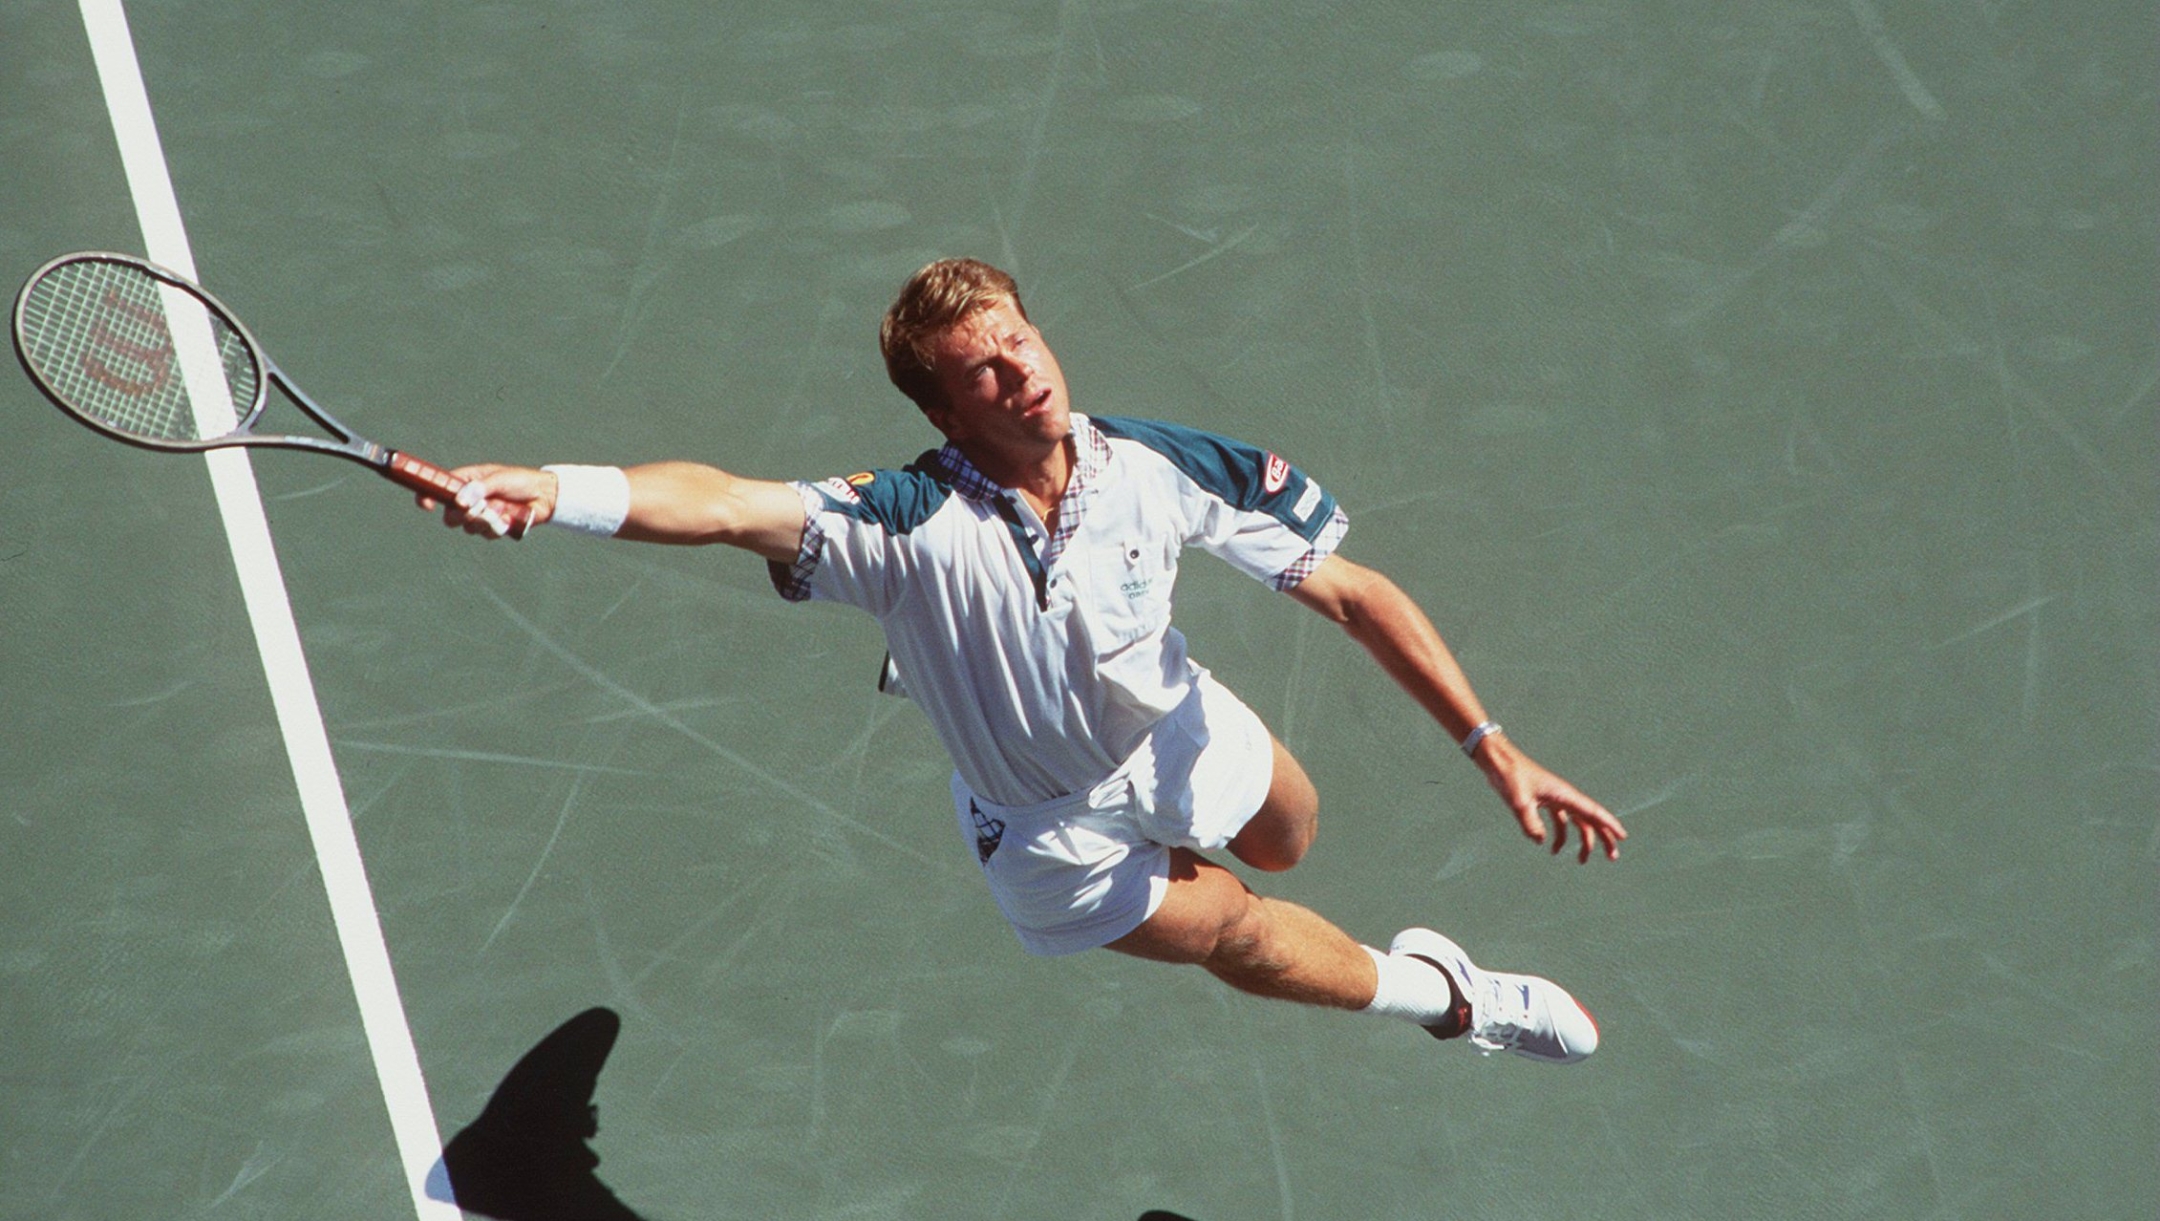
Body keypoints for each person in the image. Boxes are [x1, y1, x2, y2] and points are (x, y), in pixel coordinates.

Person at [423, 258, 1627, 1064]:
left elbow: (1355, 596)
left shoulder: (1159, 465)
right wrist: (554, 491)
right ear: (946, 414)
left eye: (1020, 337)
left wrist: (1493, 746)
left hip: (1174, 729)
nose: (1021, 369)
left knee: (1289, 837)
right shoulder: (899, 522)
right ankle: (1452, 1000)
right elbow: (724, 503)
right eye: (982, 369)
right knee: (1245, 937)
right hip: (1046, 827)